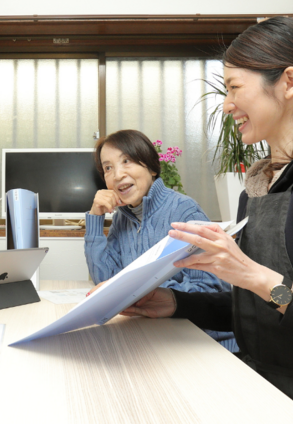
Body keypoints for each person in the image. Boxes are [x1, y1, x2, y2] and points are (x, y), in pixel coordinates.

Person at [124, 17, 293, 423]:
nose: (227, 105)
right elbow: (259, 311)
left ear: (289, 82)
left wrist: (255, 277)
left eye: (234, 88)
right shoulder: (257, 189)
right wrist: (176, 303)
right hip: (259, 388)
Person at [85, 129, 237, 351]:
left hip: (205, 343)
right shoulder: (122, 217)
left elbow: (210, 292)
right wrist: (95, 217)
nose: (117, 175)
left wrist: (142, 290)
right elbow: (103, 280)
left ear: (152, 167)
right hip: (157, 336)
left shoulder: (184, 210)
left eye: (126, 161)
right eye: (108, 168)